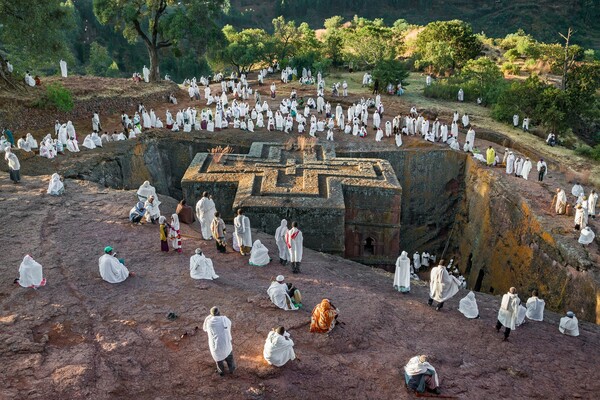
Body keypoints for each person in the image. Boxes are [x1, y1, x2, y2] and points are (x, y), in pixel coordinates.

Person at [203, 307, 235, 376]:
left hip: (216, 348)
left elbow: (204, 328)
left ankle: (221, 373)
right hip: (226, 346)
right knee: (230, 360)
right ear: (219, 313)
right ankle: (232, 371)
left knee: (219, 362)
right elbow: (229, 324)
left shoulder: (209, 323)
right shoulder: (224, 320)